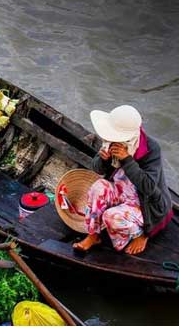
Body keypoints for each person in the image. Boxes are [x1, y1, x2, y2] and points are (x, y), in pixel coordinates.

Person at [73, 105, 173, 255]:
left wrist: (127, 159)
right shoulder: (112, 140)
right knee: (98, 187)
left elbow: (149, 187)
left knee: (111, 217)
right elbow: (97, 169)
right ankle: (94, 235)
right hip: (122, 191)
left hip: (145, 204)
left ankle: (141, 234)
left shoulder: (151, 149)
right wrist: (103, 159)